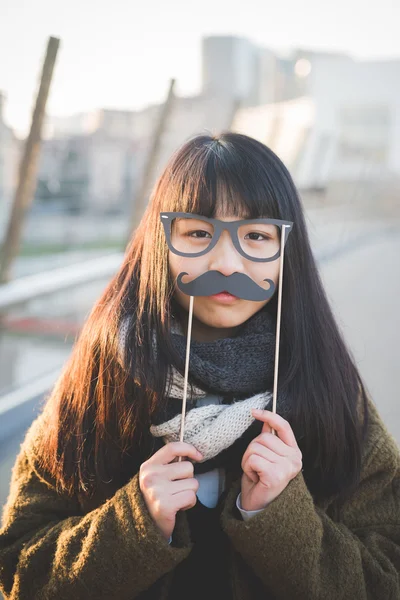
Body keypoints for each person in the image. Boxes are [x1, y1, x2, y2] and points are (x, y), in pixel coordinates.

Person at [0, 132, 399, 600]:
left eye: (255, 235)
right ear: (161, 242)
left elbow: (385, 577)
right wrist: (131, 525)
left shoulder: (329, 390)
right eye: (197, 233)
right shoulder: (101, 380)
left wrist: (281, 517)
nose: (227, 263)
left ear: (286, 249)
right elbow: (18, 572)